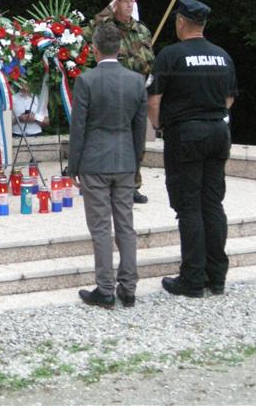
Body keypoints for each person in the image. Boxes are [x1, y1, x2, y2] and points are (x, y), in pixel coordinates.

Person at [147, 0, 238, 299]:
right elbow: (229, 98)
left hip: (186, 135)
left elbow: (154, 99)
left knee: (188, 207)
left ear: (181, 22)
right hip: (218, 132)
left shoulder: (170, 55)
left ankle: (193, 279)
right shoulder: (222, 55)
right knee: (212, 204)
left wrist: (160, 126)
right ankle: (217, 277)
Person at [68, 22, 148, 308]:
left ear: (95, 49)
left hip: (94, 160)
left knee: (101, 227)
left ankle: (105, 288)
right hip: (125, 159)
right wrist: (136, 160)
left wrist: (72, 166)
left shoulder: (86, 81)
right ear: (120, 48)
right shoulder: (137, 81)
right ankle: (129, 288)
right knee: (126, 225)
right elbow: (140, 128)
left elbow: (78, 127)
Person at [83, 0, 154, 204]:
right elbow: (85, 36)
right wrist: (105, 12)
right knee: (109, 137)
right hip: (112, 92)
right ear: (114, 5)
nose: (130, 4)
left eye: (131, 0)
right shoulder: (104, 29)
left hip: (136, 92)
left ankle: (132, 185)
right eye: (124, 1)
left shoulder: (141, 30)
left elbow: (150, 57)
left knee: (137, 139)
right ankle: (106, 182)